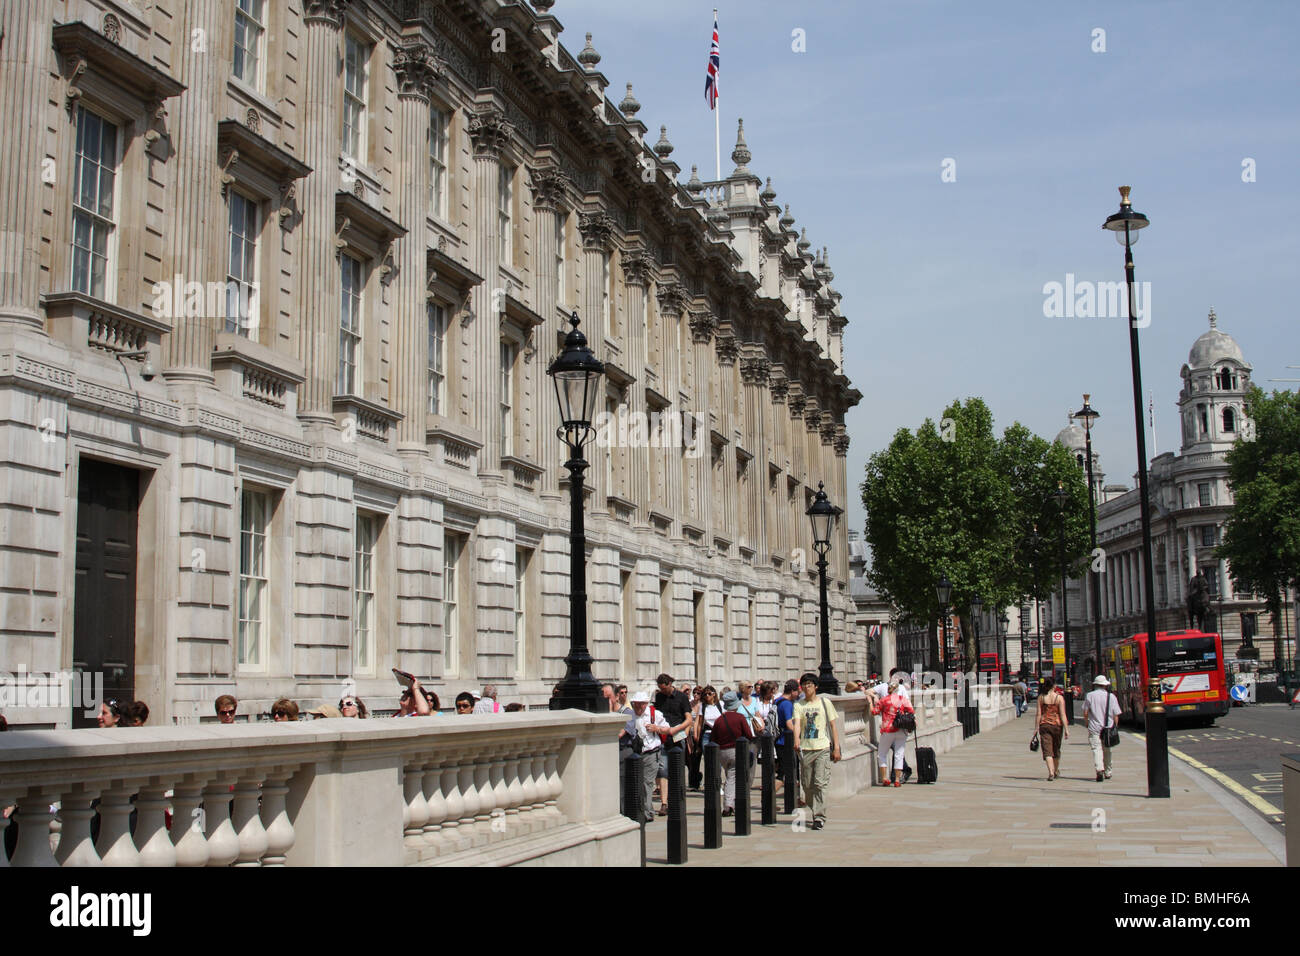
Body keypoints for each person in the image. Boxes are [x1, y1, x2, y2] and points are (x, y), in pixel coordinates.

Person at [793, 673, 840, 830]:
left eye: (810, 684)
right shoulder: (799, 705)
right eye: (804, 685)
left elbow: (833, 726)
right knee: (806, 785)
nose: (807, 688)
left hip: (823, 748)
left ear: (816, 686)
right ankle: (815, 809)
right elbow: (797, 724)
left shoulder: (825, 703)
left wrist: (837, 747)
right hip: (806, 749)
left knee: (820, 783)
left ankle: (819, 817)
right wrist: (796, 739)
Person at [653, 674, 693, 815]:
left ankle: (677, 798)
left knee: (677, 768)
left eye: (664, 688)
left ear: (670, 684)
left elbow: (688, 719)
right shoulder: (658, 698)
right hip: (663, 737)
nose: (662, 691)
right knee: (662, 769)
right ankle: (664, 803)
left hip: (677, 736)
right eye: (660, 689)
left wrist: (677, 730)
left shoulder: (682, 697)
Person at [711, 691, 755, 815]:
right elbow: (748, 735)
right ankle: (728, 806)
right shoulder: (740, 718)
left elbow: (713, 738)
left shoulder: (719, 720)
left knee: (730, 775)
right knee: (732, 778)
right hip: (736, 751)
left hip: (722, 753)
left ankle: (732, 803)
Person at [630, 692, 668, 822]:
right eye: (635, 704)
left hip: (652, 752)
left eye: (640, 704)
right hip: (635, 754)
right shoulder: (629, 715)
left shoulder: (655, 714)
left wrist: (656, 728)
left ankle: (647, 812)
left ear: (646, 704)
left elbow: (667, 729)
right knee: (637, 783)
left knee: (647, 783)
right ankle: (645, 809)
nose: (638, 707)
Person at [872, 679, 915, 787]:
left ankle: (885, 778)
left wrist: (870, 701)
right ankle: (897, 779)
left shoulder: (884, 700)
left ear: (889, 690)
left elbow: (874, 712)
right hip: (901, 729)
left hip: (887, 730)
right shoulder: (903, 699)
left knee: (882, 754)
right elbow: (911, 711)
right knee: (899, 755)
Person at [1082, 675, 1122, 781]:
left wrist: (1087, 723)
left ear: (1095, 685)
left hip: (1094, 727)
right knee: (1108, 749)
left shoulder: (1089, 696)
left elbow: (1085, 712)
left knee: (1096, 749)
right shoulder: (1111, 697)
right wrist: (1115, 727)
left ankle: (1099, 769)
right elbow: (1116, 715)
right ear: (1105, 685)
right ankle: (1108, 772)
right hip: (1108, 727)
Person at [1035, 677, 1068, 781]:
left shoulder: (1041, 697)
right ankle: (1055, 770)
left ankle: (1050, 773)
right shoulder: (1059, 698)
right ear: (1054, 686)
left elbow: (1038, 714)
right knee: (1056, 750)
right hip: (1057, 726)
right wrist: (1066, 729)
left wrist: (1036, 728)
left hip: (1044, 725)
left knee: (1047, 750)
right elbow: (1063, 715)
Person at [772, 679, 798, 787]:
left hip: (778, 740)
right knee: (783, 774)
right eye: (797, 691)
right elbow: (789, 723)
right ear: (792, 691)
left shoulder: (777, 700)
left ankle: (797, 797)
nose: (798, 694)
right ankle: (768, 799)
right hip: (785, 741)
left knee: (788, 772)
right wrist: (798, 735)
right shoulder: (787, 704)